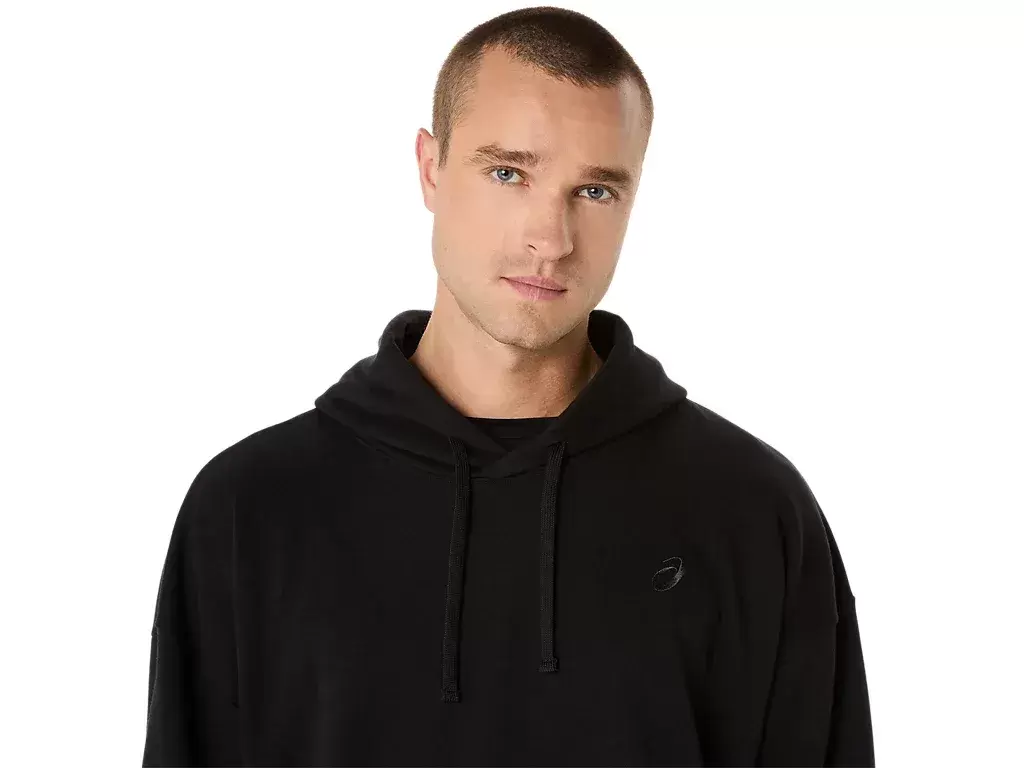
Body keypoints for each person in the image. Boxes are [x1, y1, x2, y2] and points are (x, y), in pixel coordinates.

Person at [142, 6, 875, 766]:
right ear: (430, 168)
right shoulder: (252, 510)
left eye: (596, 191)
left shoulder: (752, 510)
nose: (550, 240)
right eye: (508, 173)